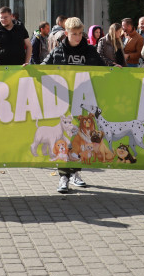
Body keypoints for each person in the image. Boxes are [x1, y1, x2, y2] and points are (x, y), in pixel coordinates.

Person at [39, 17, 104, 193]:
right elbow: (43, 68)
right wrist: (30, 69)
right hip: (63, 106)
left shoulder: (90, 51)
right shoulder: (58, 52)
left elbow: (105, 68)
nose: (77, 37)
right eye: (73, 34)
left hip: (83, 106)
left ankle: (75, 173)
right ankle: (63, 177)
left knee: (80, 141)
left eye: (79, 34)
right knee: (64, 141)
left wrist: (115, 66)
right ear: (66, 33)